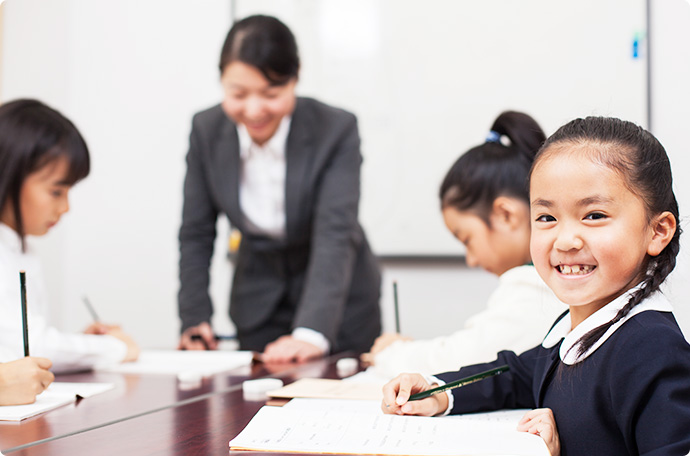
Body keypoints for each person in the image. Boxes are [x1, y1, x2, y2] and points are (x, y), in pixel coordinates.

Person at [381, 116, 690, 455]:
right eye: (546, 218)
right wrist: (439, 391)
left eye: (594, 215)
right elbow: (516, 374)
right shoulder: (580, 326)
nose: (566, 240)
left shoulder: (650, 348)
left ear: (658, 231)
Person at [177, 15, 381, 362]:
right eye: (238, 93)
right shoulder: (206, 130)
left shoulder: (336, 129)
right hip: (258, 302)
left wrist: (311, 332)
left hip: (338, 307)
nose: (254, 110)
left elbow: (336, 231)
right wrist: (195, 317)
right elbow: (196, 232)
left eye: (270, 93)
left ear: (295, 78)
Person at [362, 111, 564, 377]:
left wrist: (391, 354)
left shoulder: (539, 286)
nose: (471, 260)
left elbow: (463, 361)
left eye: (467, 240)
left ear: (506, 215)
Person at [0, 98, 140, 374]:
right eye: (56, 192)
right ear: (9, 175)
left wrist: (82, 344)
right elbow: (30, 349)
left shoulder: (21, 248)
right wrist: (115, 347)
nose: (65, 208)